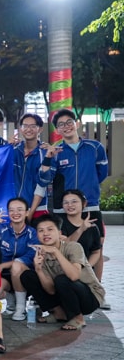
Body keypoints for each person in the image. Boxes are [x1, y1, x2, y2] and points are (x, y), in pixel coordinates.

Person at [46, 108, 109, 308]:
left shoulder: (95, 147)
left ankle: (97, 290)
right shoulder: (56, 151)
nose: (66, 126)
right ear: (57, 130)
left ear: (77, 124)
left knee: (96, 246)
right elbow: (48, 178)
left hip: (90, 205)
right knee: (64, 247)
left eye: (69, 122)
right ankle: (67, 291)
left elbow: (101, 173)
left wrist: (87, 192)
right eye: (61, 124)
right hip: (61, 209)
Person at [22, 215, 105, 331]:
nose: (45, 233)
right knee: (28, 276)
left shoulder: (73, 247)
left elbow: (74, 276)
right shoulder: (41, 254)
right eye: (41, 231)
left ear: (59, 233)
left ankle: (78, 318)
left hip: (90, 296)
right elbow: (51, 290)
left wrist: (56, 252)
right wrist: (39, 269)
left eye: (50, 229)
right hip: (65, 294)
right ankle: (59, 313)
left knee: (62, 279)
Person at [0, 197, 38, 321]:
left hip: (24, 275)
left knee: (16, 265)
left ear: (27, 212)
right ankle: (11, 302)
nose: (15, 213)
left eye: (19, 209)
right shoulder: (2, 229)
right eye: (11, 210)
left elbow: (31, 256)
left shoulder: (32, 233)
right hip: (5, 276)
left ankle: (20, 308)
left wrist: (4, 265)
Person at [14, 113, 52, 219]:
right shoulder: (13, 151)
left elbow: (42, 185)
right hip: (14, 209)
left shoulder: (45, 153)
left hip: (37, 209)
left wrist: (30, 213)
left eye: (33, 126)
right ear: (20, 129)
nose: (28, 129)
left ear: (40, 129)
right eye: (25, 126)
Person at [60, 190, 102, 273]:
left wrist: (87, 268)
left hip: (85, 270)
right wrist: (81, 229)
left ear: (84, 203)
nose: (70, 205)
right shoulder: (58, 224)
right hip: (63, 269)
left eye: (74, 201)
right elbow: (64, 247)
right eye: (66, 202)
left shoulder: (92, 227)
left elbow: (96, 252)